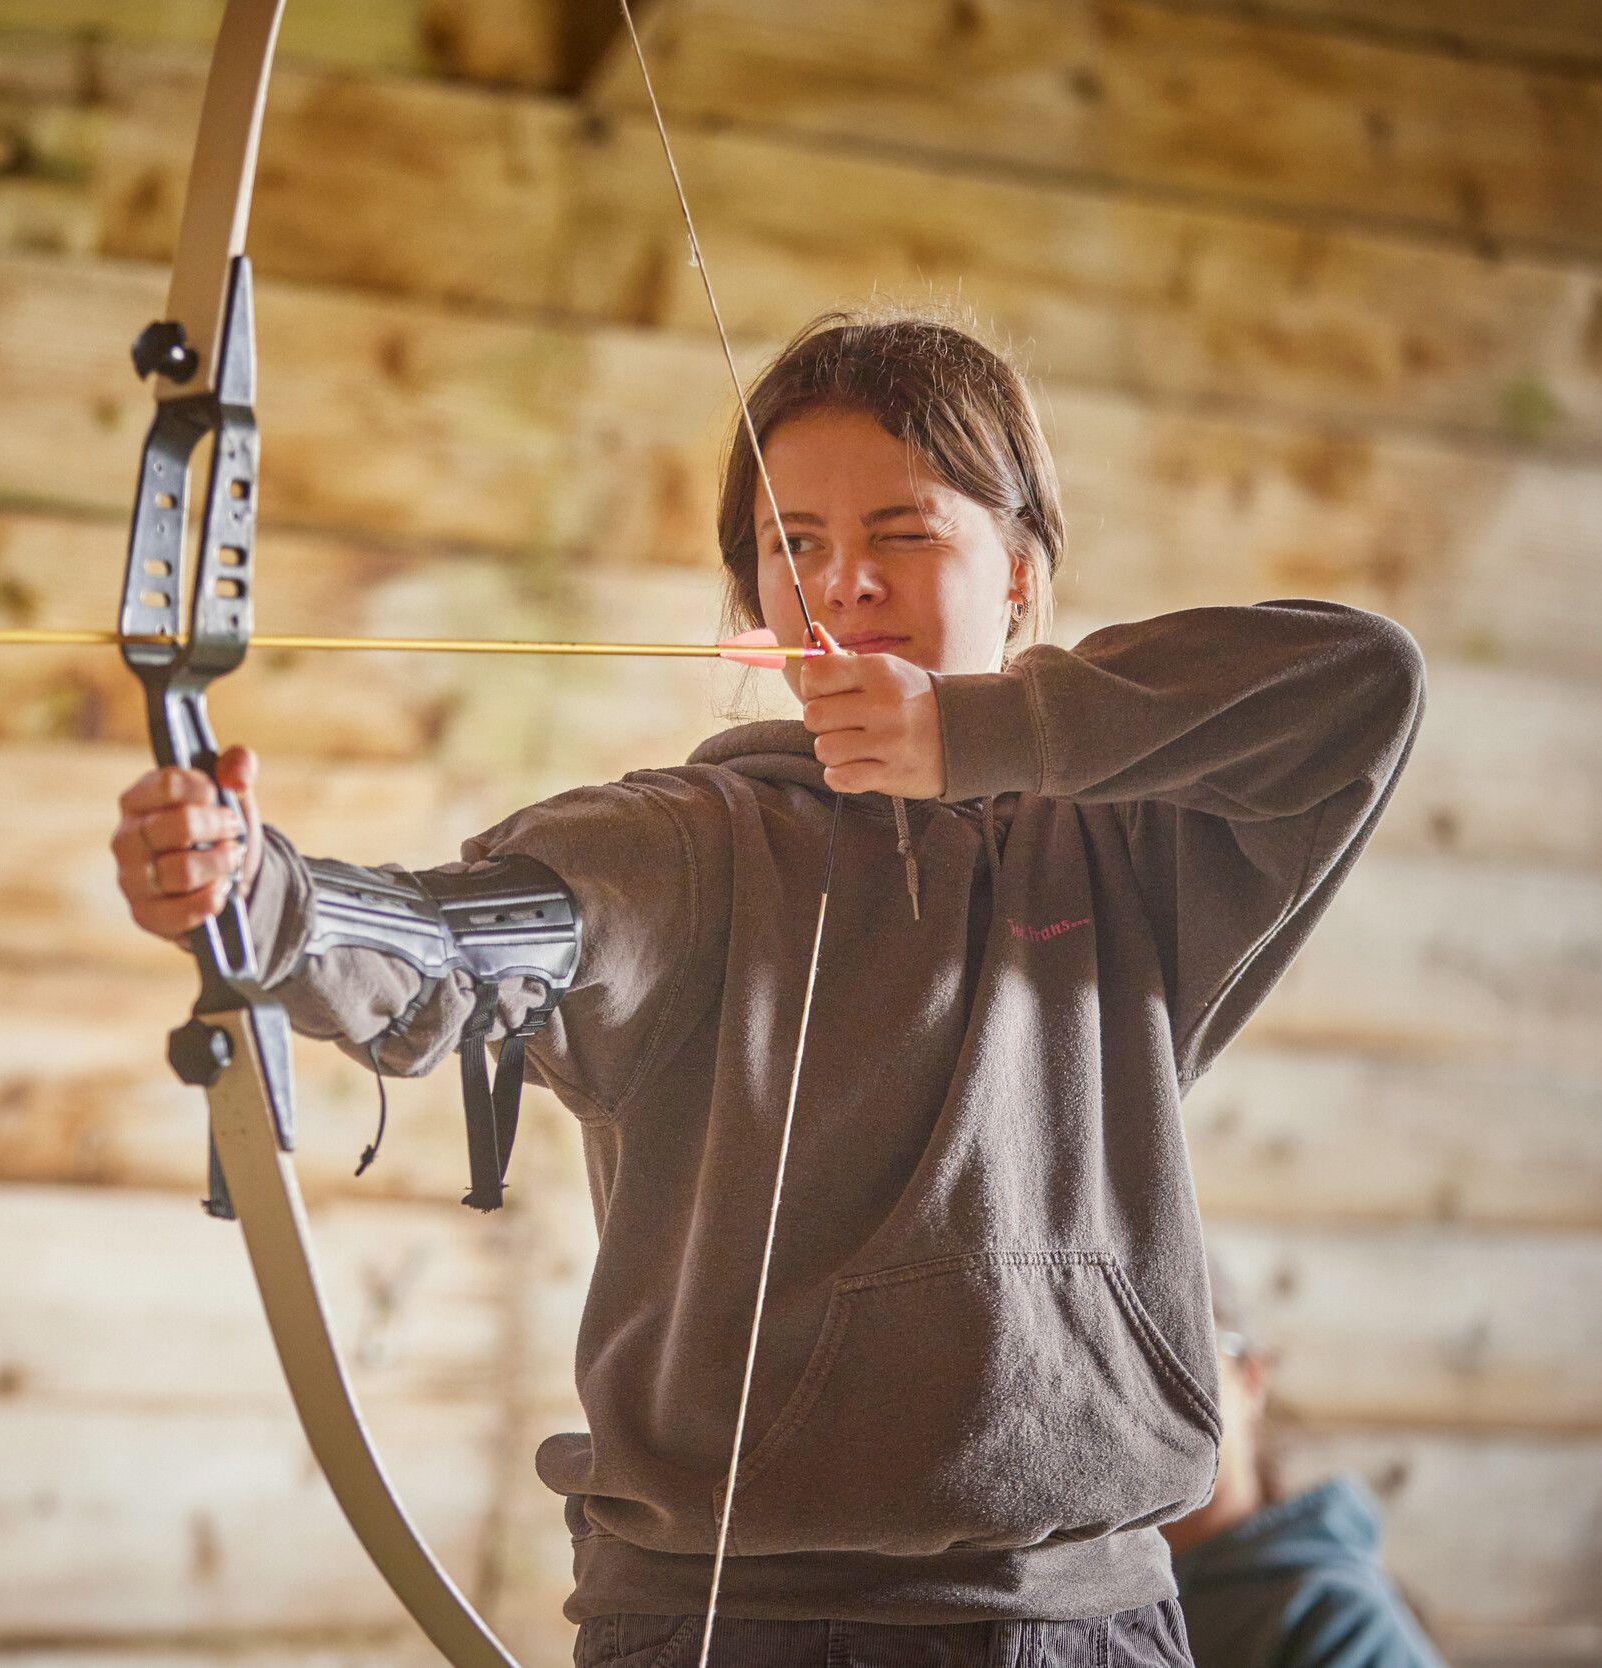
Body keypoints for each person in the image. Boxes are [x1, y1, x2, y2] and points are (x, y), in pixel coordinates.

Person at [113, 311, 1424, 1665]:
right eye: (793, 545)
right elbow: (455, 945)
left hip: (1086, 1623)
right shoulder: (685, 844)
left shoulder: (1131, 850)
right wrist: (255, 894)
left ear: (1020, 572)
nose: (843, 584)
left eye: (904, 534)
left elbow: (1365, 685)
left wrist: (968, 735)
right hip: (727, 1627)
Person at [1165, 1279, 1447, 1668]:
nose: (1151, 1394)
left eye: (1182, 1352)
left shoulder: (1343, 1622)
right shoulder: (1097, 1594)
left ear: (1251, 1378)